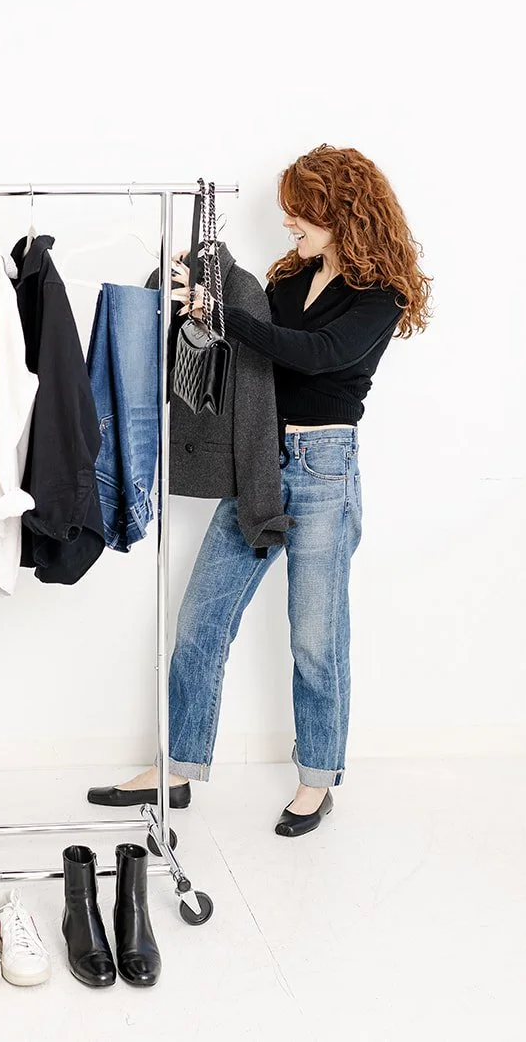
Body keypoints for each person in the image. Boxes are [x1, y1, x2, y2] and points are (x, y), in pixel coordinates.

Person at [89, 145, 431, 836]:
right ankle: (178, 767)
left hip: (324, 465)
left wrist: (226, 315)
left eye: (301, 214)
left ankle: (317, 781)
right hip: (258, 458)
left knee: (316, 636)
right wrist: (199, 305)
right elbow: (249, 358)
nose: (290, 226)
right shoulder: (288, 276)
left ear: (340, 210)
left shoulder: (380, 293)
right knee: (200, 621)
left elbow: (316, 355)